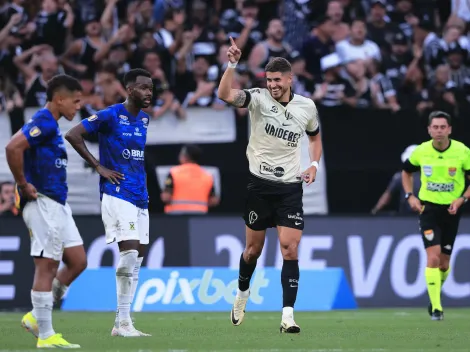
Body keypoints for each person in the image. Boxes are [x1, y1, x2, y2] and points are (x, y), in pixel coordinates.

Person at [217, 38, 322, 333]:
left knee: (290, 249)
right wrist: (232, 64)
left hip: (289, 188)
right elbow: (224, 94)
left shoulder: (307, 107)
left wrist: (314, 164)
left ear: (290, 79)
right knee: (252, 250)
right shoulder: (258, 98)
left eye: (277, 79)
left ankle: (287, 315)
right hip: (259, 187)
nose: (273, 84)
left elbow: (314, 137)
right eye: (269, 79)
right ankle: (241, 293)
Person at [64, 68, 153, 337]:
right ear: (129, 89)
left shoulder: (145, 120)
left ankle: (123, 322)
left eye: (151, 88)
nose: (148, 92)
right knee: (128, 255)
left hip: (140, 195)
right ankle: (122, 322)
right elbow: (73, 134)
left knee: (137, 258)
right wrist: (98, 166)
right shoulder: (110, 114)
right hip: (117, 192)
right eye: (142, 87)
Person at [5, 74, 85, 348]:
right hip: (41, 201)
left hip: (58, 204)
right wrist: (22, 184)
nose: (78, 108)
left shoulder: (52, 125)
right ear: (59, 99)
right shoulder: (43, 121)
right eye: (75, 102)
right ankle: (46, 334)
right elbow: (13, 146)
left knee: (77, 261)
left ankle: (35, 316)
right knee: (47, 265)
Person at [402, 110, 470, 321]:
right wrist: (410, 196)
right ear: (429, 130)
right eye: (435, 127)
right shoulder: (421, 151)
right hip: (428, 209)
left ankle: (434, 297)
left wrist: (461, 199)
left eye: (443, 127)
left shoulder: (462, 151)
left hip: (452, 210)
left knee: (444, 263)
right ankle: (437, 309)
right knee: (432, 257)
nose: (439, 131)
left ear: (449, 129)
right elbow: (406, 171)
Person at [161, 144, 220, 214]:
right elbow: (213, 201)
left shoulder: (174, 173)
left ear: (184, 156)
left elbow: (166, 197)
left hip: (176, 216)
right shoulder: (207, 175)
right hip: (199, 215)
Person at [371, 145, 420, 215]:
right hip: (416, 215)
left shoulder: (399, 176)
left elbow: (387, 196)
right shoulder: (399, 176)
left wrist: (375, 210)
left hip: (411, 216)